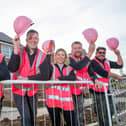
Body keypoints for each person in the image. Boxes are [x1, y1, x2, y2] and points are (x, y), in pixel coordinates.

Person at [8, 29, 49, 126]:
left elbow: (45, 75)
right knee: (26, 117)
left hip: (32, 91)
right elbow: (12, 68)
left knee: (33, 117)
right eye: (30, 38)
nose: (33, 40)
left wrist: (27, 79)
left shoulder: (42, 55)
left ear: (38, 40)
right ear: (26, 40)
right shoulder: (19, 50)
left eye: (35, 38)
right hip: (18, 90)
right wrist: (16, 47)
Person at [69, 41, 101, 126]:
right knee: (71, 113)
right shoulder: (69, 58)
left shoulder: (86, 60)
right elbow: (78, 67)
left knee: (79, 112)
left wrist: (96, 80)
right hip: (70, 91)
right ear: (71, 50)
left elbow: (91, 72)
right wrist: (90, 53)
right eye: (75, 48)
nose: (77, 50)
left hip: (81, 91)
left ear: (82, 49)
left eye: (79, 48)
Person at [89, 47, 123, 126]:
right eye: (100, 52)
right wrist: (116, 76)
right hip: (97, 91)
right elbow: (103, 73)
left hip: (106, 90)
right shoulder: (93, 62)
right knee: (102, 114)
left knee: (110, 111)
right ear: (96, 53)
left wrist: (118, 54)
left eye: (103, 53)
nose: (102, 54)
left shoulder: (106, 61)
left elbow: (120, 65)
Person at [44, 48, 76, 126]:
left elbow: (73, 77)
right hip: (53, 101)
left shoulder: (69, 68)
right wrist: (48, 56)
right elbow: (45, 74)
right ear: (55, 56)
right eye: (58, 54)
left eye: (62, 55)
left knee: (71, 122)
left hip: (66, 101)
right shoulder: (51, 67)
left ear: (65, 57)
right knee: (56, 123)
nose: (60, 56)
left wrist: (60, 79)